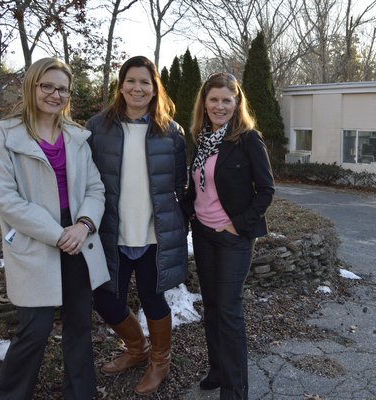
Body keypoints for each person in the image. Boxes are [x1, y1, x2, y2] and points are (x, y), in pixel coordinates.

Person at [0, 57, 110, 400]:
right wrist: (58, 234)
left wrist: (83, 225)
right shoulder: (5, 135)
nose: (55, 94)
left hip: (79, 241)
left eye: (63, 89)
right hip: (36, 243)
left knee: (79, 326)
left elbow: (95, 190)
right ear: (33, 86)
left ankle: (80, 393)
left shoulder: (76, 136)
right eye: (48, 86)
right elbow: (6, 201)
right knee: (34, 330)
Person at [86, 55, 188, 396]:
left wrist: (179, 226)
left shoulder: (171, 133)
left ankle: (160, 361)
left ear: (154, 87)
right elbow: (86, 180)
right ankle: (136, 348)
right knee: (104, 298)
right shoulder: (97, 127)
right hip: (111, 234)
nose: (138, 87)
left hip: (153, 235)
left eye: (145, 81)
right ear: (121, 85)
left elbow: (178, 185)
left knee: (153, 298)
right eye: (131, 80)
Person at [183, 72, 275, 399]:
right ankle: (218, 371)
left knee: (229, 310)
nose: (219, 106)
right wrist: (188, 209)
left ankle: (235, 391)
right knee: (211, 306)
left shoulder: (248, 139)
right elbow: (196, 185)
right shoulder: (200, 137)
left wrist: (238, 225)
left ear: (237, 103)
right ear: (204, 103)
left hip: (233, 238)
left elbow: (266, 190)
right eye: (213, 100)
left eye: (226, 100)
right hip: (204, 234)